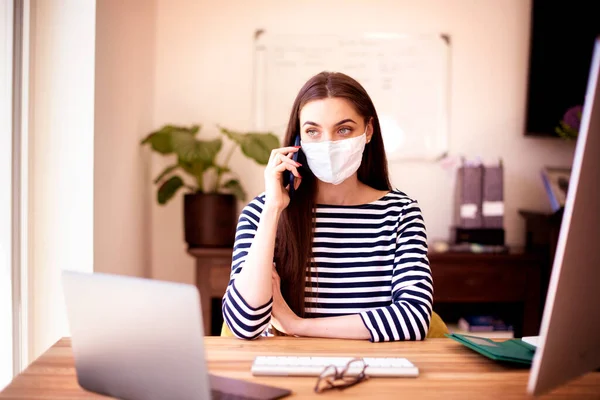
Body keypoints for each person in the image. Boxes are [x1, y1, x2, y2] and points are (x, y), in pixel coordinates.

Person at [222, 71, 432, 342]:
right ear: (298, 140)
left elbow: (414, 319)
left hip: (370, 372)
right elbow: (243, 325)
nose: (328, 144)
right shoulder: (262, 213)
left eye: (344, 129)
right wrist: (273, 209)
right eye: (312, 131)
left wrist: (297, 325)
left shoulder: (401, 214)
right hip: (287, 371)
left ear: (368, 131)